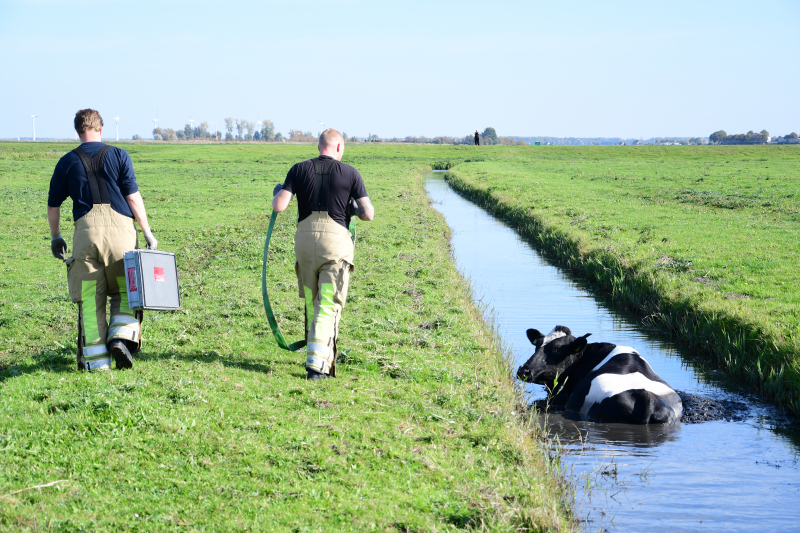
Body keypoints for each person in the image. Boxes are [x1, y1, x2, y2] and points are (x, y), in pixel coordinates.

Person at [47, 109, 157, 371]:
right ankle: (120, 338)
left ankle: (97, 364)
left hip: (86, 237)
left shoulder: (66, 161)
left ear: (77, 131)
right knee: (125, 290)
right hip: (122, 236)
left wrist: (56, 236)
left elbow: (53, 206)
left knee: (89, 297)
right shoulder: (119, 155)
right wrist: (147, 231)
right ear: (101, 129)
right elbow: (132, 197)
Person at [272, 128, 375, 380]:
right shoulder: (350, 173)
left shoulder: (298, 169)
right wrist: (353, 208)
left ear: (319, 147)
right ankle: (317, 368)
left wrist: (277, 192)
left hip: (305, 245)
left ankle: (316, 357)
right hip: (335, 248)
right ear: (339, 147)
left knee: (311, 301)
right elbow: (368, 214)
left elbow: (279, 206)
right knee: (327, 303)